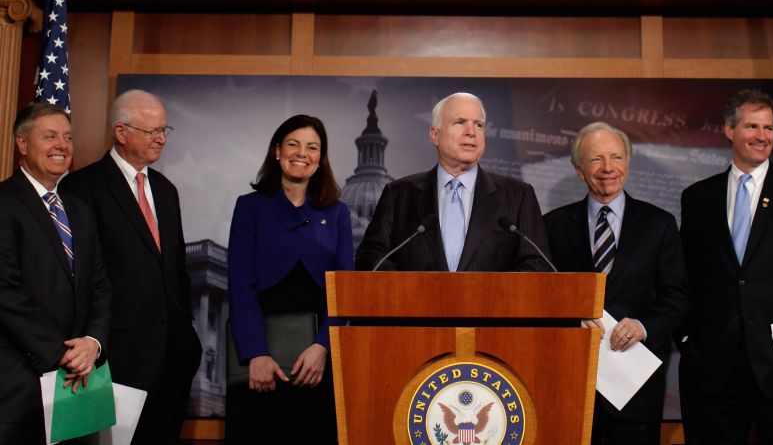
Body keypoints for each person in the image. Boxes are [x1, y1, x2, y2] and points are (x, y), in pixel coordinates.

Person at [60, 90, 202, 444]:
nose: (160, 139)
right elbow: (78, 277)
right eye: (151, 131)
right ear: (121, 133)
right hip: (115, 356)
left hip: (172, 358)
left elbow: (176, 270)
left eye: (164, 130)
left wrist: (185, 331)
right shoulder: (82, 187)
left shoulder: (166, 190)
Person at [543, 121, 690, 444]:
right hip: (572, 380)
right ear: (579, 169)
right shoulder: (551, 226)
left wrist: (643, 325)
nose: (608, 168)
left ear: (628, 163)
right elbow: (542, 297)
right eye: (596, 159)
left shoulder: (659, 224)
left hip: (635, 383)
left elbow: (678, 298)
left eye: (617, 158)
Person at [226, 114, 353, 444]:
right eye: (293, 144)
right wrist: (255, 354)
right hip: (262, 362)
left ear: (320, 158)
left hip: (316, 364)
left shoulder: (337, 213)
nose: (302, 153)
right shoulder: (250, 208)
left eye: (313, 147)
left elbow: (344, 291)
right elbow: (240, 286)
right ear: (276, 151)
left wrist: (322, 348)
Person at [678, 89, 773, 444]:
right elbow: (686, 275)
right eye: (753, 126)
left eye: (769, 128)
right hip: (714, 366)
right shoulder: (698, 197)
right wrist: (686, 339)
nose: (763, 136)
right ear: (729, 130)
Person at [0, 103, 111, 444]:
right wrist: (60, 352)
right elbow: (4, 291)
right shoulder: (4, 203)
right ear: (22, 144)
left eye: (67, 137)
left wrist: (92, 343)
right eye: (49, 136)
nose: (61, 145)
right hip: (18, 386)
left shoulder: (78, 209)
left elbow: (99, 286)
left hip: (79, 385)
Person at [355, 92, 551, 272]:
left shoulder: (518, 195)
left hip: (490, 308)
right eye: (460, 122)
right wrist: (410, 291)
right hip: (417, 307)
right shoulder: (398, 194)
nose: (471, 132)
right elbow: (371, 258)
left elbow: (537, 265)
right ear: (435, 135)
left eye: (479, 124)